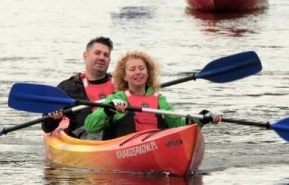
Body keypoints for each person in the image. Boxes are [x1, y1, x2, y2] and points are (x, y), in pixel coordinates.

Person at [83, 50, 222, 140]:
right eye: (132, 69)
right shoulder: (116, 98)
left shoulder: (159, 100)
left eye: (141, 68)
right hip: (124, 153)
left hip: (156, 149)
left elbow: (178, 124)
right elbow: (90, 126)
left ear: (148, 72)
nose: (138, 72)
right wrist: (108, 110)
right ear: (124, 76)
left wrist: (204, 117)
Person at [41, 36, 115, 139]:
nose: (102, 57)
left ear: (109, 60)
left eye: (106, 55)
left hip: (115, 139)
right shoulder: (68, 88)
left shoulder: (120, 85)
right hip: (81, 141)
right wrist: (54, 118)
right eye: (97, 53)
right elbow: (46, 127)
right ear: (85, 56)